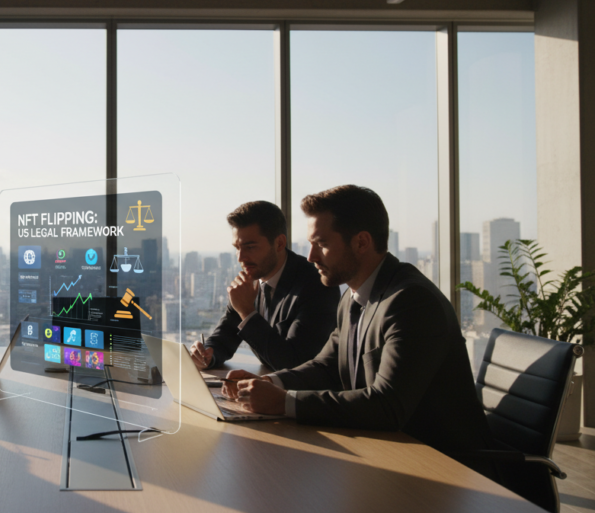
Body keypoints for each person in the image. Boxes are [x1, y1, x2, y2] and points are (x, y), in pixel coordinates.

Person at [224, 185, 494, 467]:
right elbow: (326, 367)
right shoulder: (353, 297)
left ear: (362, 242)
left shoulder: (410, 302)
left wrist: (283, 402)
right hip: (385, 455)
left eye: (322, 244)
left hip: (444, 467)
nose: (311, 257)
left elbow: (386, 406)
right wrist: (270, 383)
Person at [190, 201, 340, 372]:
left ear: (279, 243)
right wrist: (207, 355)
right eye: (237, 248)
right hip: (266, 385)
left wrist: (247, 312)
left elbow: (295, 362)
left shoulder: (316, 285)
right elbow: (224, 336)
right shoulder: (250, 278)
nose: (240, 258)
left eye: (250, 247)